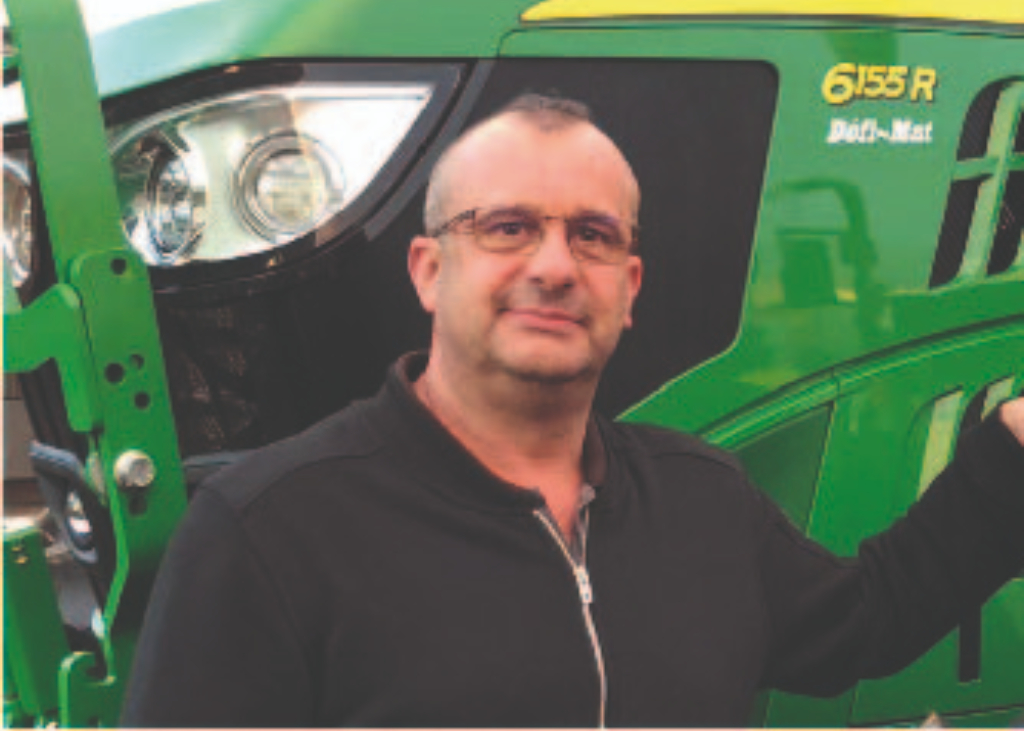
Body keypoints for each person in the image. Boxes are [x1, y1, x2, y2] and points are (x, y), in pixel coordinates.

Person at [122, 94, 1024, 727]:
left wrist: (1013, 449)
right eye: (508, 227)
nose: (555, 266)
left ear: (629, 288)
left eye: (592, 235)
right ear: (429, 271)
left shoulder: (703, 498)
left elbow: (865, 621)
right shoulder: (268, 531)